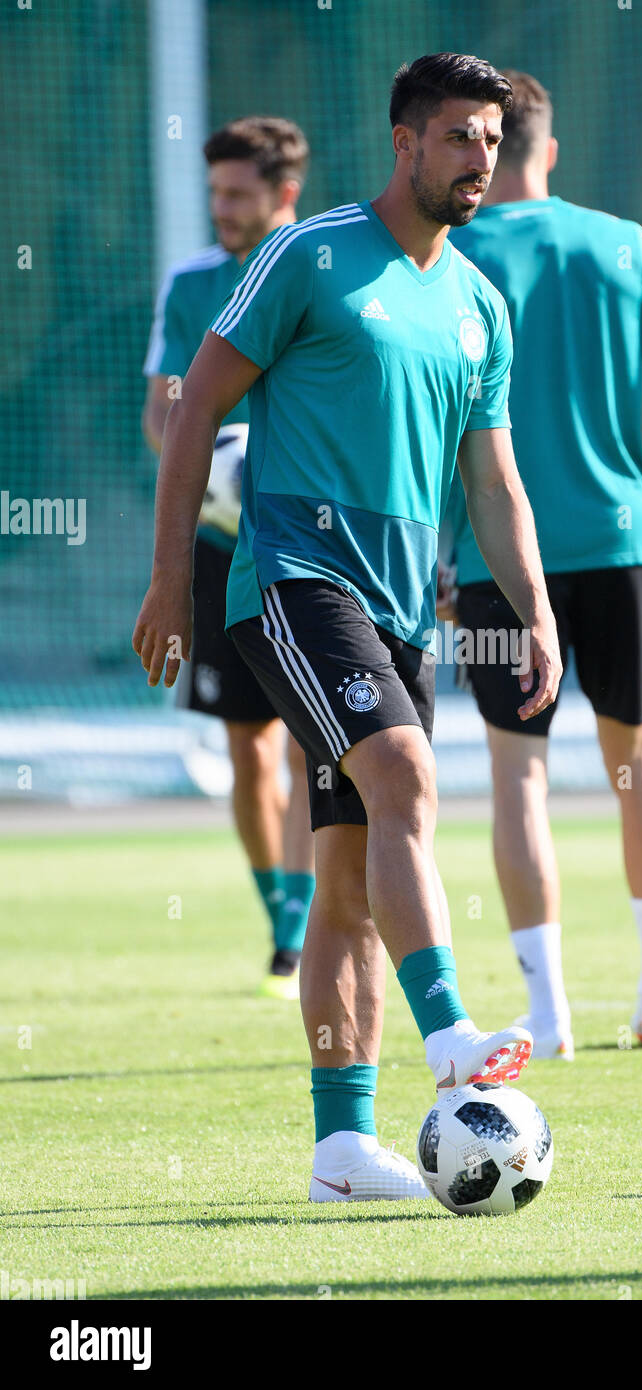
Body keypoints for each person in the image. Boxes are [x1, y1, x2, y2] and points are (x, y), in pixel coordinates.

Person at [132, 54, 562, 1203]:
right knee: (407, 778)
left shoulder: (479, 303)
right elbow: (190, 413)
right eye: (457, 136)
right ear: (404, 141)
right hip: (288, 574)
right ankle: (453, 1037)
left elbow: (496, 485)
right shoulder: (310, 254)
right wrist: (172, 581)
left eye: (490, 137)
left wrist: (535, 609)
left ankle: (340, 1149)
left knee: (346, 874)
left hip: (398, 605)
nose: (478, 157)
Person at [445, 71, 642, 1057]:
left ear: (482, 147)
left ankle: (548, 1013)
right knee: (635, 764)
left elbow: (444, 430)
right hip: (620, 541)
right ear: (548, 150)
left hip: (496, 558)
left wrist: (441, 551)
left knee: (518, 776)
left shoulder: (449, 253)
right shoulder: (622, 243)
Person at [142, 117, 316, 1001]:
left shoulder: (320, 269)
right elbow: (162, 413)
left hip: (310, 542)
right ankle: (280, 917)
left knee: (307, 748)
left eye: (239, 194)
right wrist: (208, 484)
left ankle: (298, 938)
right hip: (217, 550)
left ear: (285, 193)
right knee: (248, 752)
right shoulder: (190, 285)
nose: (223, 210)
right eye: (215, 193)